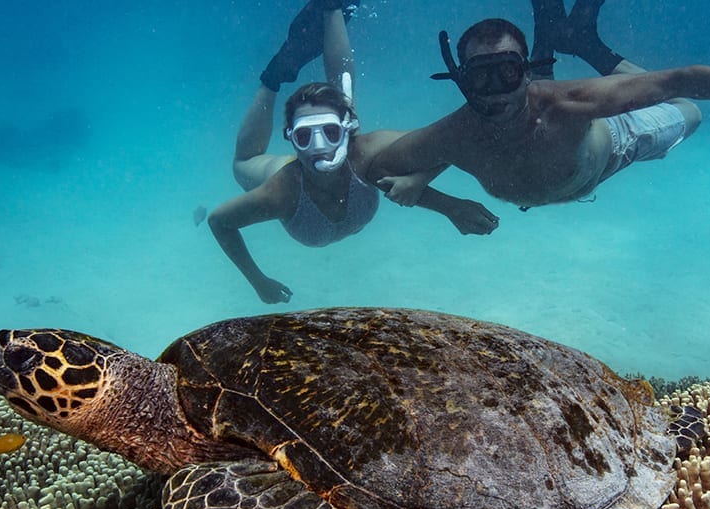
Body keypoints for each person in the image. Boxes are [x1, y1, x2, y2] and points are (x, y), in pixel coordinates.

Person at [371, 0, 710, 211]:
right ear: (462, 81)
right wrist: (438, 201)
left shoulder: (573, 105)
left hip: (618, 143)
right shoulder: (453, 134)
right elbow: (365, 161)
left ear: (525, 71)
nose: (496, 90)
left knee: (689, 111)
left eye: (507, 73)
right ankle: (572, 35)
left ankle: (594, 51)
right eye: (481, 76)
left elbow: (681, 80)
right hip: (564, 154)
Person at [208, 0, 499, 304]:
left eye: (330, 133)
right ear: (291, 139)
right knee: (243, 164)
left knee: (348, 111)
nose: (320, 147)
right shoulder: (281, 191)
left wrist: (433, 193)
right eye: (305, 136)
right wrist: (259, 282)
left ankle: (331, 6)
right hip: (283, 169)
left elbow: (451, 139)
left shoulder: (364, 152)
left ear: (345, 130)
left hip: (354, 145)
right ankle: (273, 78)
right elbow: (219, 221)